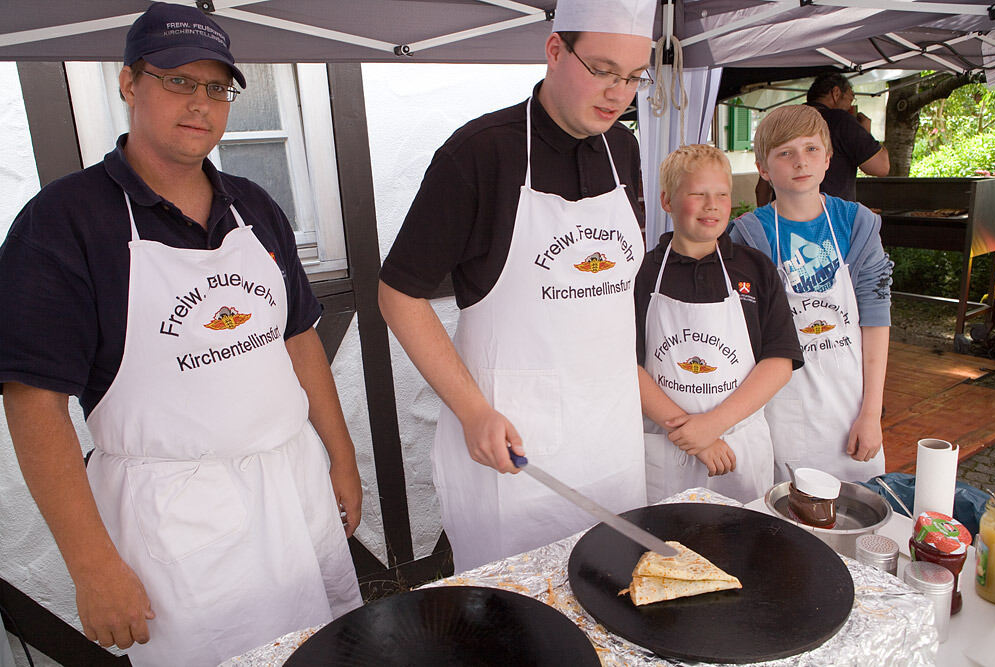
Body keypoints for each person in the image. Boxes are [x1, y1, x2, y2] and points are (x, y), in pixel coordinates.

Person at [0, 4, 362, 664]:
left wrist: (340, 457)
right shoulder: (64, 224)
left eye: (216, 87)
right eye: (177, 81)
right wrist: (92, 565)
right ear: (129, 83)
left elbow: (299, 339)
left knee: (324, 648)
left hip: (294, 484)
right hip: (176, 520)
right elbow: (33, 403)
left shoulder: (252, 205)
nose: (201, 104)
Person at [378, 0, 656, 572]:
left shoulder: (623, 149)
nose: (617, 93)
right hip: (517, 447)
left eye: (632, 77)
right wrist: (471, 410)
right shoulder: (480, 154)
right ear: (555, 50)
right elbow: (398, 293)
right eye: (602, 70)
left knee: (616, 590)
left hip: (612, 434)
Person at [731, 105, 893, 484]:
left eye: (811, 149)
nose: (800, 162)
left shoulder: (857, 224)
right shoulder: (749, 236)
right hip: (782, 415)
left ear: (828, 159)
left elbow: (875, 318)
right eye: (785, 153)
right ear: (764, 169)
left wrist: (871, 414)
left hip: (851, 407)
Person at [636, 145, 801, 504]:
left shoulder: (755, 269)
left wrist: (712, 426)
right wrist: (690, 432)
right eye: (697, 194)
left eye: (721, 195)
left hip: (737, 447)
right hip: (666, 450)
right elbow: (626, 365)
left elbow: (779, 361)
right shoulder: (643, 272)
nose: (712, 205)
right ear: (667, 201)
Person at [755, 73, 889, 205]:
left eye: (811, 149)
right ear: (836, 93)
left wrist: (765, 218)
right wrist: (865, 132)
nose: (851, 105)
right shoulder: (840, 121)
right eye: (850, 98)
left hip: (784, 219)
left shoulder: (783, 121)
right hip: (832, 219)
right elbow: (881, 167)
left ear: (826, 159)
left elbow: (762, 188)